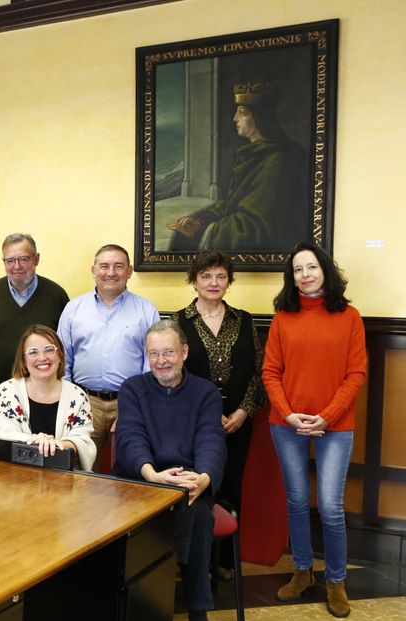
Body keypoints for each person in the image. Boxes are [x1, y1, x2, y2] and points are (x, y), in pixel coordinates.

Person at [114, 320, 226, 621]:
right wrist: (152, 474)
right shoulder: (133, 389)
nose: (162, 361)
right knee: (137, 521)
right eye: (154, 353)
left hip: (190, 481)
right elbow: (130, 438)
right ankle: (140, 612)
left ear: (184, 353)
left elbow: (211, 439)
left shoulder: (205, 392)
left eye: (168, 352)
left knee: (198, 517)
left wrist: (202, 479)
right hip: (142, 481)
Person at [263, 242, 366, 619]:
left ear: (325, 270)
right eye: (297, 270)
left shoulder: (349, 316)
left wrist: (327, 415)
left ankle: (336, 581)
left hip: (334, 425)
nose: (305, 275)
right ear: (291, 278)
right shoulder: (283, 316)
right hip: (287, 425)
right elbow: (271, 372)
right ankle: (302, 572)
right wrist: (289, 414)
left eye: (311, 267)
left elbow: (356, 374)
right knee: (295, 501)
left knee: (331, 506)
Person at [173, 251, 265, 580]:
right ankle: (191, 562)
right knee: (196, 488)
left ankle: (224, 562)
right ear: (194, 280)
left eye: (221, 277)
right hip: (194, 422)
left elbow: (258, 372)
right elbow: (173, 373)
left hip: (238, 421)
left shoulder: (244, 320)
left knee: (230, 485)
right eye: (206, 276)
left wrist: (243, 411)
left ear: (229, 281)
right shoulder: (179, 322)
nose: (214, 283)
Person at [165, 82, 306, 252]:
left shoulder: (277, 161)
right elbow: (229, 204)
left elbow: (253, 226)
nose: (235, 119)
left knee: (185, 241)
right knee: (182, 234)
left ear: (260, 118)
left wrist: (201, 230)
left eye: (242, 113)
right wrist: (199, 220)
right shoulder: (251, 155)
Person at [57, 244, 159, 468]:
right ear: (93, 270)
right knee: (78, 470)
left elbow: (150, 365)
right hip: (84, 402)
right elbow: (62, 361)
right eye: (104, 266)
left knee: (130, 470)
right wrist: (70, 403)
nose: (111, 272)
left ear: (129, 271)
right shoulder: (73, 309)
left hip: (129, 402)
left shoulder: (147, 310)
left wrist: (134, 404)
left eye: (118, 266)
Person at [0, 233, 69, 432]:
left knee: (44, 453)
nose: (17, 266)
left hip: (45, 397)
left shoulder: (56, 296)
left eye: (24, 259)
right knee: (0, 457)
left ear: (36, 259)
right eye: (10, 260)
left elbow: (64, 345)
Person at [0, 325, 96, 471]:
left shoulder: (77, 395)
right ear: (23, 360)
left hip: (64, 478)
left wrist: (53, 444)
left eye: (49, 349)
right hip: (16, 476)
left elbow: (83, 440)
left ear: (60, 355)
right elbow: (5, 435)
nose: (42, 357)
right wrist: (36, 441)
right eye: (33, 352)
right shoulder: (8, 391)